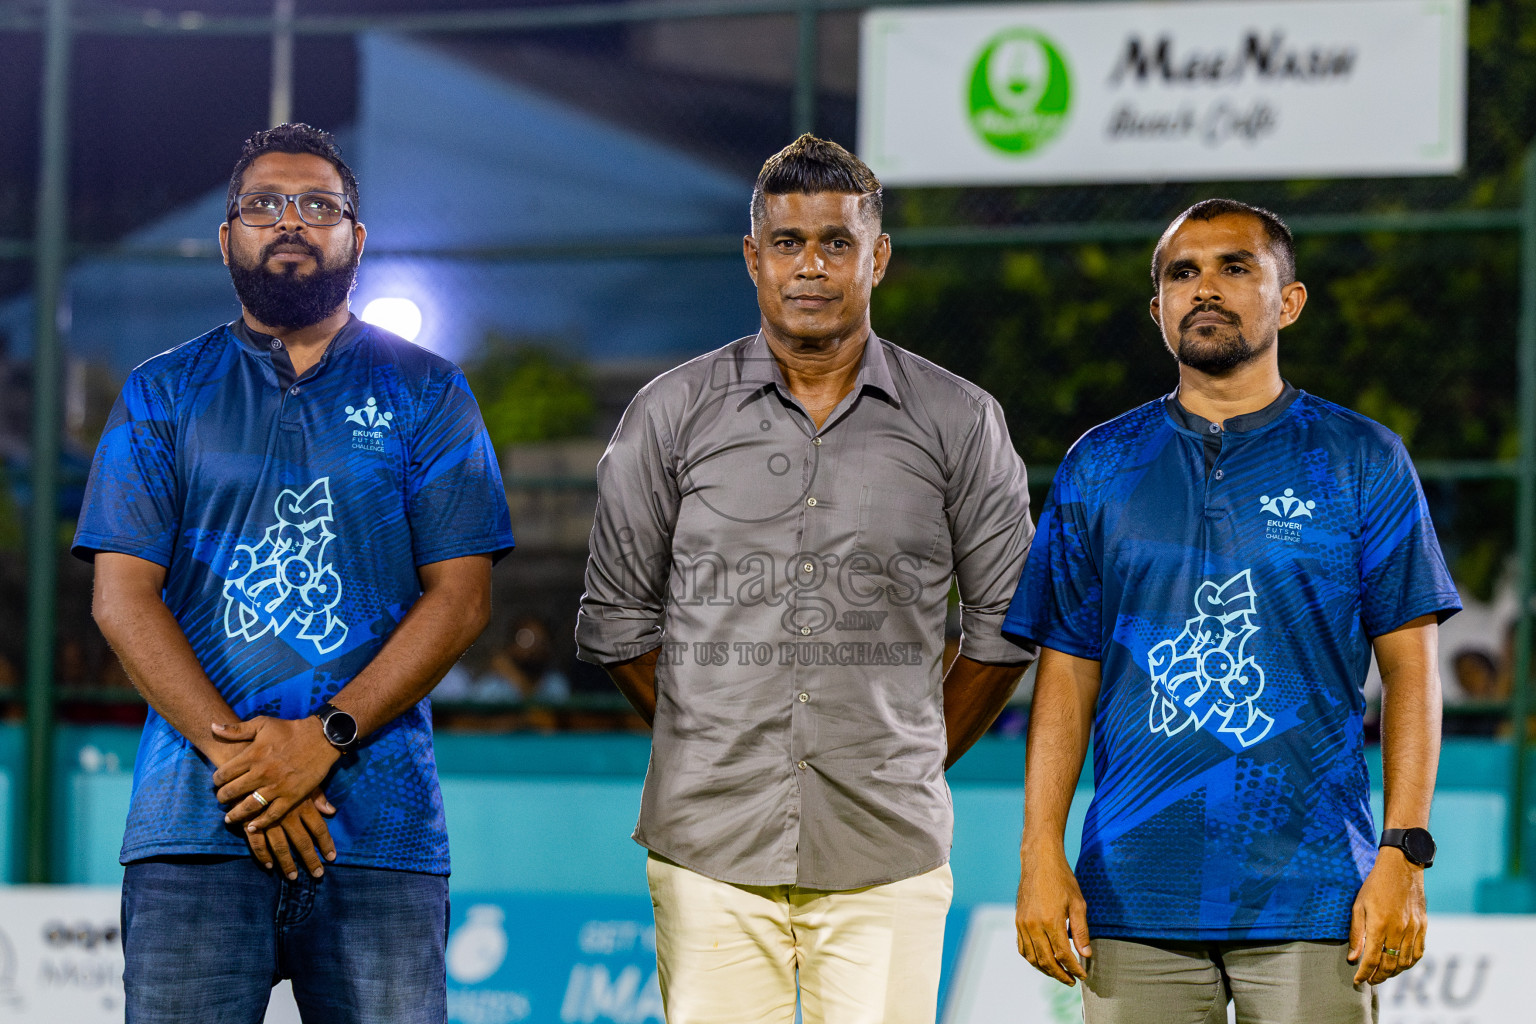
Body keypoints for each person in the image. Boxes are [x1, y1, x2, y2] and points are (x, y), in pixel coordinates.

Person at [575, 135, 1035, 1024]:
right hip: (707, 845)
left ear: (878, 257)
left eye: (837, 242)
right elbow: (620, 624)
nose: (812, 266)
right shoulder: (669, 413)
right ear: (755, 258)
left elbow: (1007, 626)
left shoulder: (960, 419)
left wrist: (907, 759)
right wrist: (707, 739)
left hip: (888, 850)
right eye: (788, 243)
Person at [74, 123, 513, 1024]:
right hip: (196, 825)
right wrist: (253, 760)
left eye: (320, 205)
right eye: (264, 204)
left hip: (377, 830)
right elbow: (122, 598)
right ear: (227, 235)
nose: (291, 221)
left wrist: (324, 738)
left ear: (358, 237)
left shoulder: (429, 392)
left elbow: (462, 598)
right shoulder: (161, 393)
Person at [1005, 198, 1460, 1023]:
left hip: (1315, 892)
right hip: (1134, 893)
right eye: (1183, 273)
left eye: (1234, 267)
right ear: (1158, 310)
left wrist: (1405, 852)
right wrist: (1041, 848)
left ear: (1288, 301)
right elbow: (1066, 676)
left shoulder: (1361, 459)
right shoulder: (1099, 468)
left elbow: (1412, 674)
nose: (1204, 288)